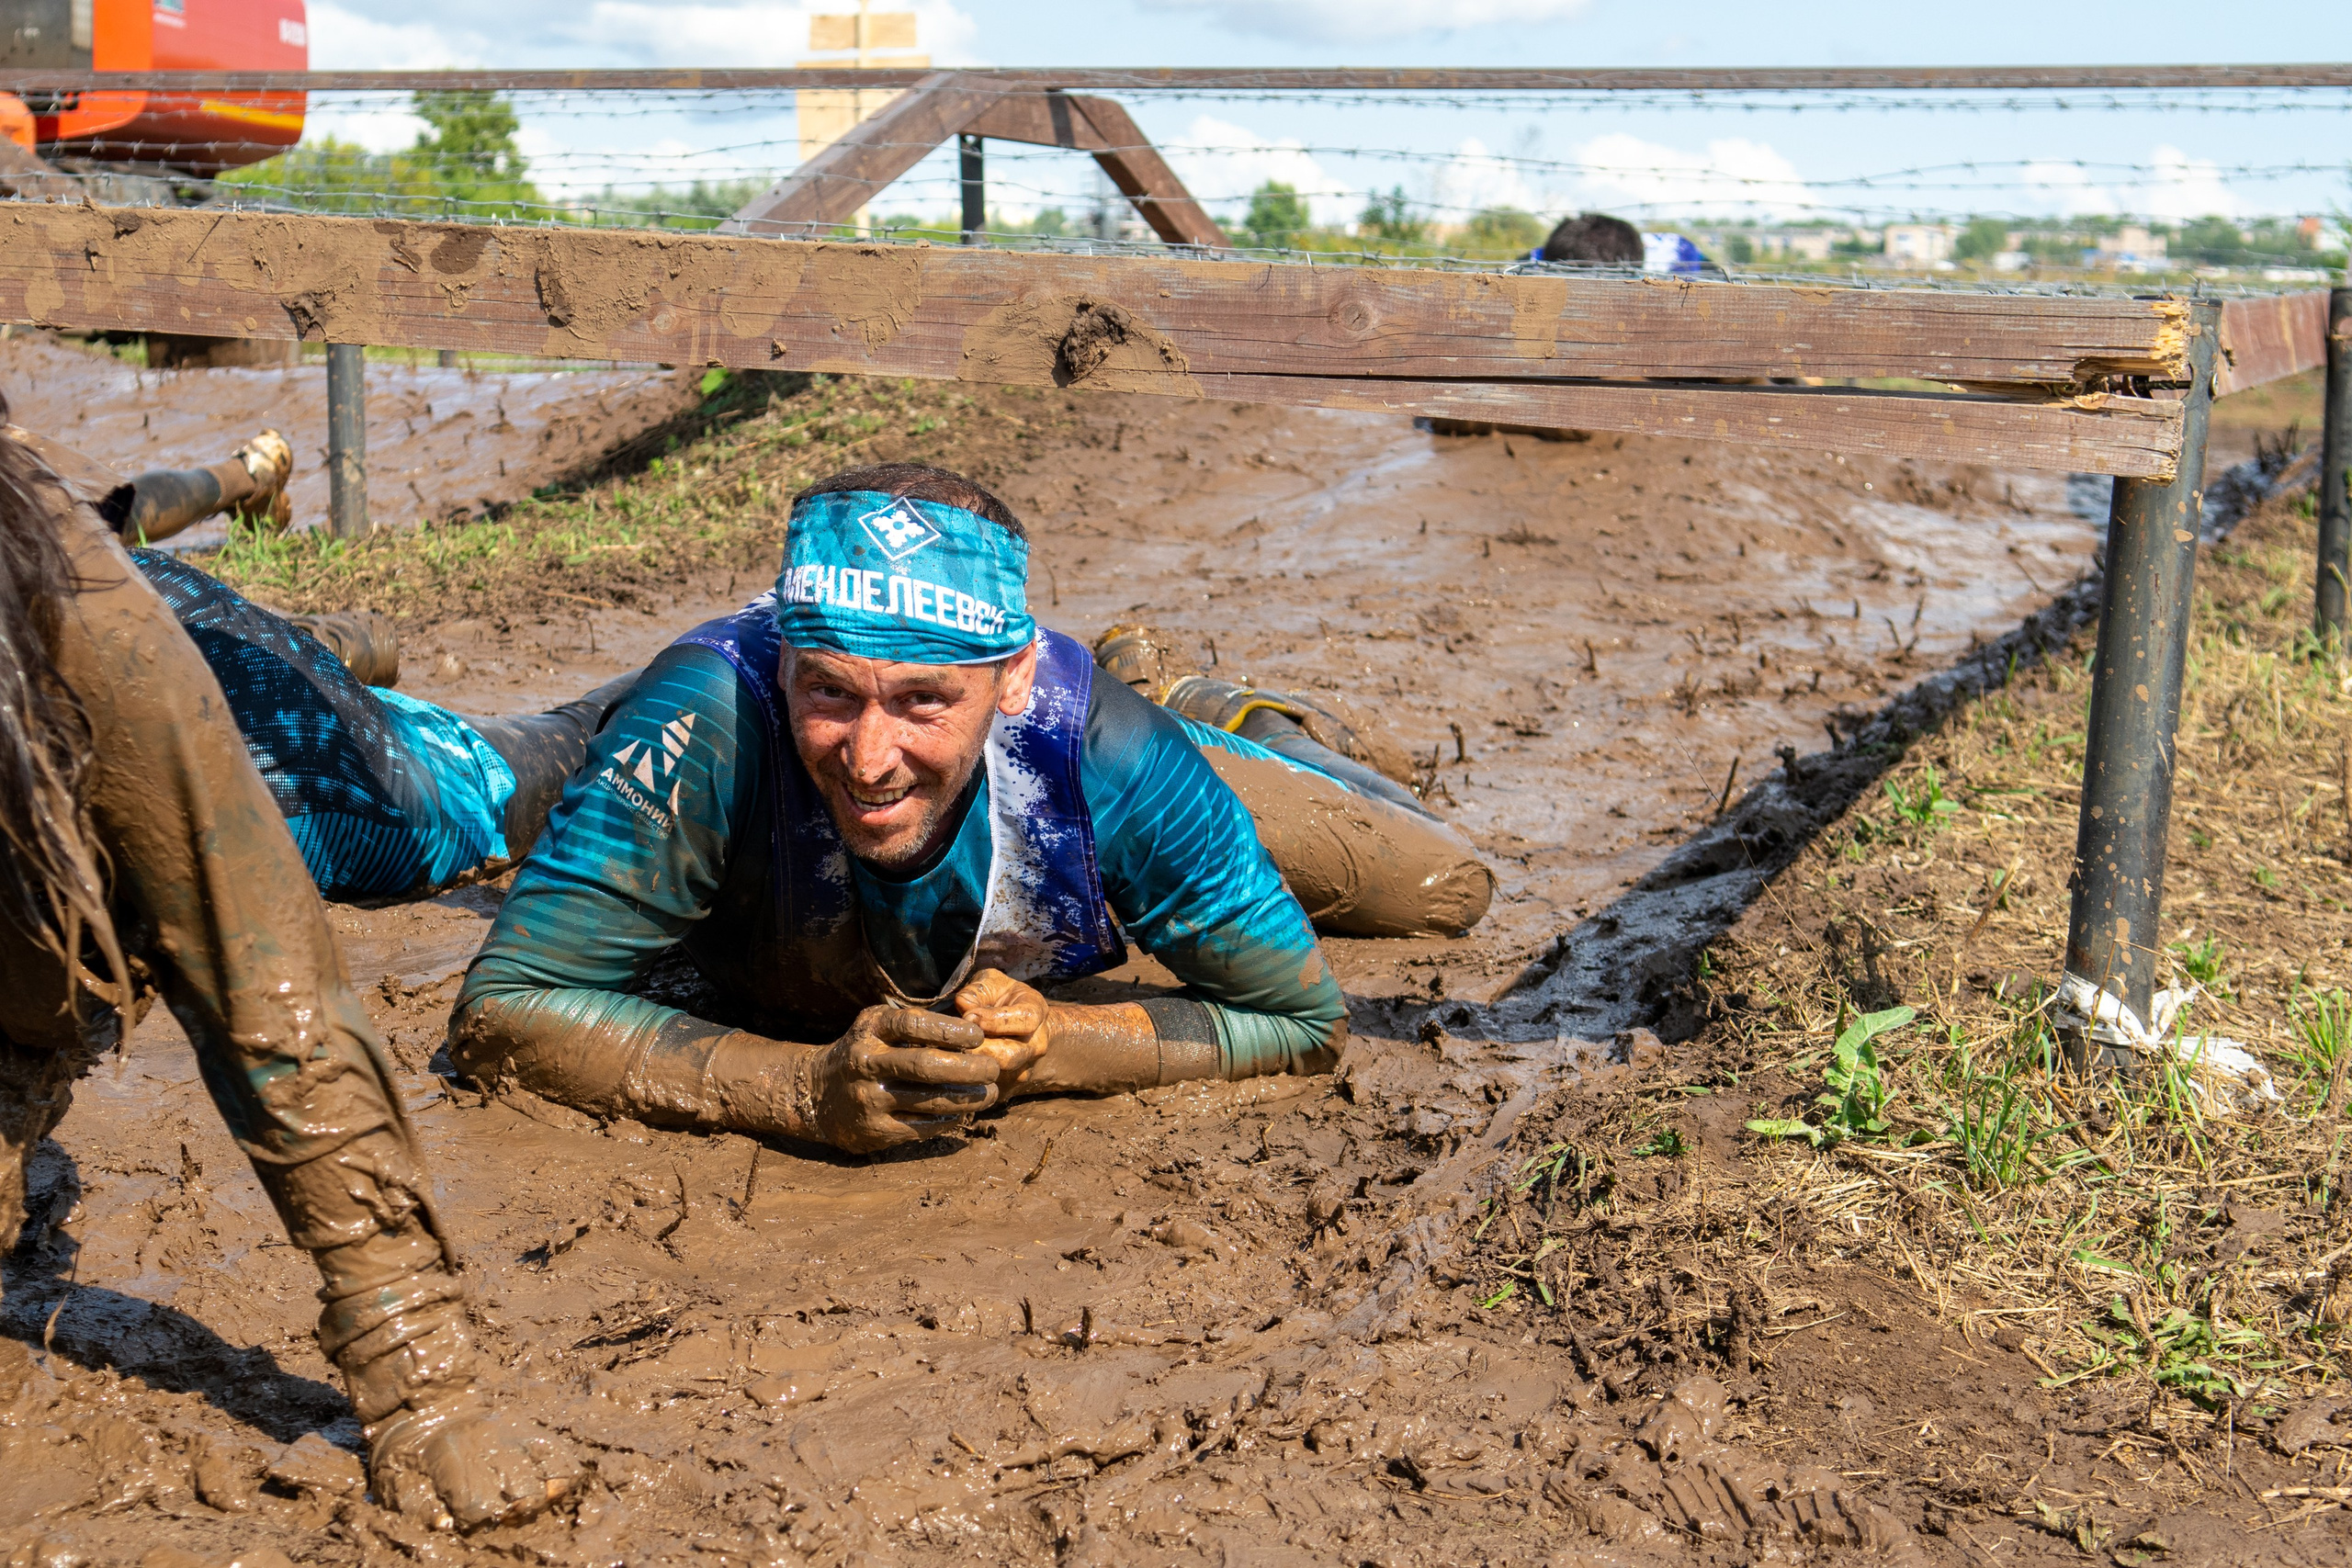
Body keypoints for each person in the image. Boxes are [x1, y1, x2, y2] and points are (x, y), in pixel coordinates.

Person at [450, 464, 1491, 1154]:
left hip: (1110, 744)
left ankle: (1227, 713)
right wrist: (799, 1092)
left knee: (1439, 888)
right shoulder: (708, 719)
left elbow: (1306, 1023)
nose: (869, 761)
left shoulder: (1106, 755)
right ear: (785, 666)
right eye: (827, 692)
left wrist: (1058, 1049)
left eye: (921, 703)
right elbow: (507, 1010)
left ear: (1013, 678)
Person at [0, 396, 567, 1530]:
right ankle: (266, 518)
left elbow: (266, 982)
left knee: (465, 794)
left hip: (232, 728)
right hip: (138, 590)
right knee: (156, 555)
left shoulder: (81, 623)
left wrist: (422, 1378)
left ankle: (609, 691)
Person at [2, 424, 638, 902]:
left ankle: (721, 661)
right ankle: (308, 602)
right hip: (200, 661)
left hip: (303, 764)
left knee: (569, 741)